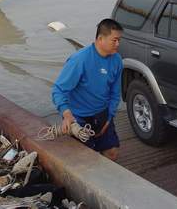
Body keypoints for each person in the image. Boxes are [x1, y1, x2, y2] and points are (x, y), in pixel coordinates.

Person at [51, 18, 124, 161]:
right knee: (86, 158)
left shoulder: (117, 60)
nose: (118, 44)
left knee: (112, 153)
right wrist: (66, 114)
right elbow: (58, 90)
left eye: (119, 40)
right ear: (101, 38)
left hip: (102, 114)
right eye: (114, 40)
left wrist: (109, 118)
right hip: (79, 118)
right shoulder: (79, 60)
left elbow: (115, 93)